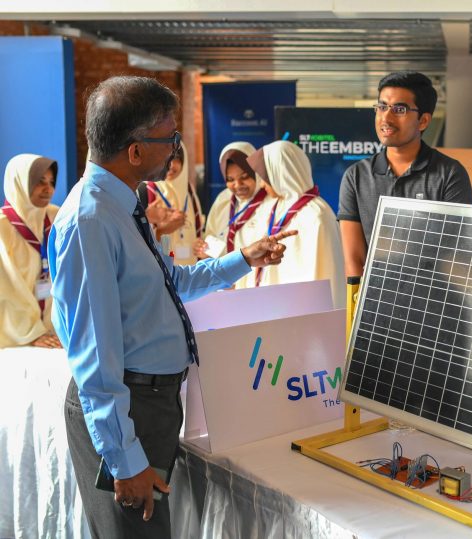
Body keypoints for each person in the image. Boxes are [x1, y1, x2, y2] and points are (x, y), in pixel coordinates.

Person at [49, 76, 295, 538]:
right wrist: (124, 460)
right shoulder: (91, 220)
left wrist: (244, 259)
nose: (176, 149)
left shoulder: (122, 206)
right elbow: (94, 356)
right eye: (170, 138)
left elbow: (173, 282)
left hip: (150, 404)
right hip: (128, 408)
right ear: (135, 150)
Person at [337, 71, 472, 277]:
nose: (386, 117)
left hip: (435, 292)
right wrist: (355, 297)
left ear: (423, 121)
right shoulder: (356, 177)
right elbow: (354, 259)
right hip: (376, 292)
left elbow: (458, 252)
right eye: (382, 107)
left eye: (399, 109)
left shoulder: (449, 174)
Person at [238, 140, 345, 308]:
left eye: (266, 177)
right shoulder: (276, 206)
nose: (262, 184)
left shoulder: (317, 215)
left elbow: (324, 275)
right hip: (271, 306)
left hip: (301, 310)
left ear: (281, 173)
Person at [0, 154, 62, 348]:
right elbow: (9, 289)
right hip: (16, 334)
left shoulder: (56, 216)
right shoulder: (3, 227)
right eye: (40, 181)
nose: (48, 189)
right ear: (19, 182)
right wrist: (32, 333)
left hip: (52, 329)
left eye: (51, 182)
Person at [193, 141, 266, 261]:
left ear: (255, 171)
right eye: (230, 179)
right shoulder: (223, 200)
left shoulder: (270, 202)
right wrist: (204, 249)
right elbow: (211, 237)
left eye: (244, 177)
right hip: (225, 272)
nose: (238, 185)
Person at [136, 142, 203, 265]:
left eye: (175, 159)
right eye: (164, 158)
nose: (170, 165)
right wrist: (157, 225)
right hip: (159, 270)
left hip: (190, 267)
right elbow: (135, 239)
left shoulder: (188, 190)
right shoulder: (145, 190)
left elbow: (199, 231)